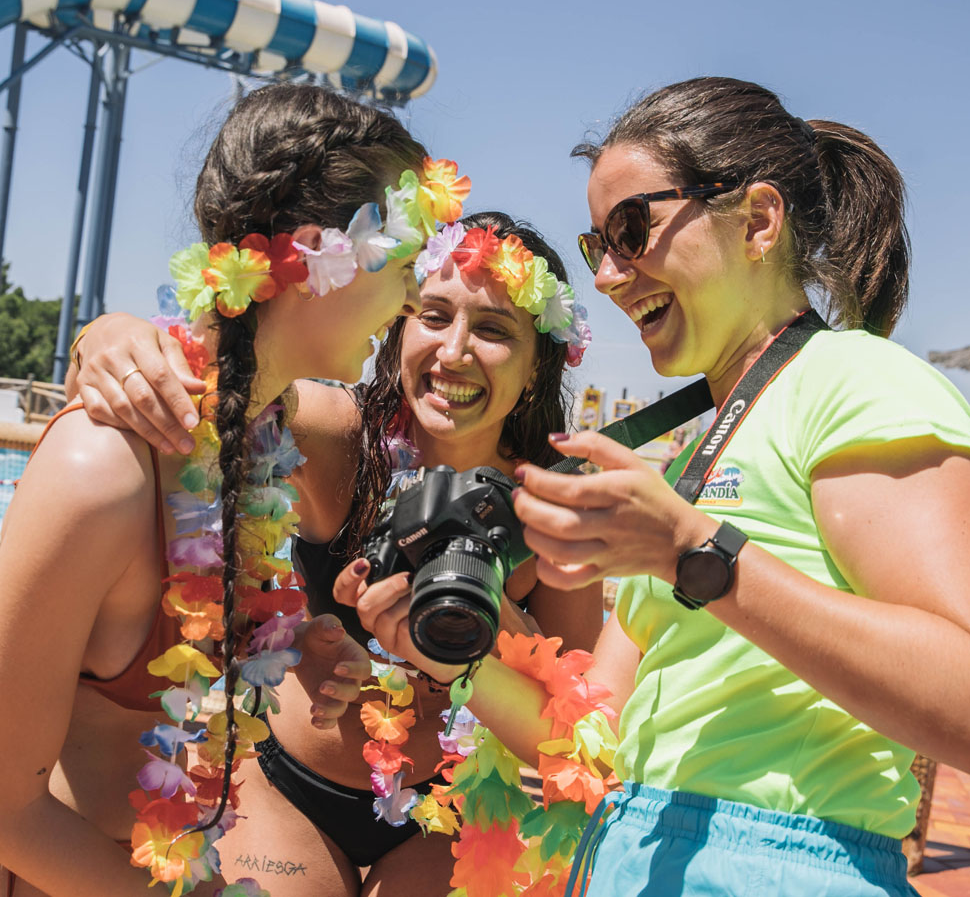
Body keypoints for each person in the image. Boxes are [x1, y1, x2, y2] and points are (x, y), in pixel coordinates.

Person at [343, 77, 970, 897]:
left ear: (758, 221)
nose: (608, 275)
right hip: (634, 854)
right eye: (597, 245)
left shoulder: (857, 381)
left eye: (631, 231)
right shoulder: (689, 459)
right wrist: (450, 649)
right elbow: (589, 744)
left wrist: (694, 552)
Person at [0, 82, 470, 896]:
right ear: (318, 258)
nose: (407, 301)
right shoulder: (102, 467)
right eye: (402, 266)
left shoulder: (256, 439)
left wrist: (285, 643)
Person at [62, 213, 601, 895]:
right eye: (434, 316)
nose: (455, 351)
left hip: (444, 817)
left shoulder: (555, 512)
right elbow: (209, 381)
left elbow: (575, 741)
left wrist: (492, 638)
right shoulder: (337, 437)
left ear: (536, 366)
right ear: (400, 325)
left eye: (493, 330)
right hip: (287, 790)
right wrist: (103, 337)